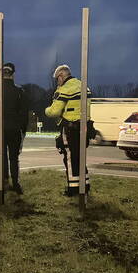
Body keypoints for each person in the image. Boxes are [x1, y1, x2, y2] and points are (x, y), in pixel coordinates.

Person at [45, 64, 92, 196]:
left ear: (61, 76)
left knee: (70, 158)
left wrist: (46, 110)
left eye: (56, 79)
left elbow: (54, 112)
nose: (57, 82)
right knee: (81, 158)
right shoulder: (83, 86)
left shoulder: (64, 89)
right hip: (85, 127)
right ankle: (85, 186)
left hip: (70, 128)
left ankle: (73, 189)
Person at [0, 63, 28, 193]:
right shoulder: (19, 91)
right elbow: (23, 113)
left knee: (1, 156)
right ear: (13, 75)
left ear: (1, 75)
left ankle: (2, 183)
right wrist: (23, 129)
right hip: (14, 129)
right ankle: (15, 183)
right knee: (14, 157)